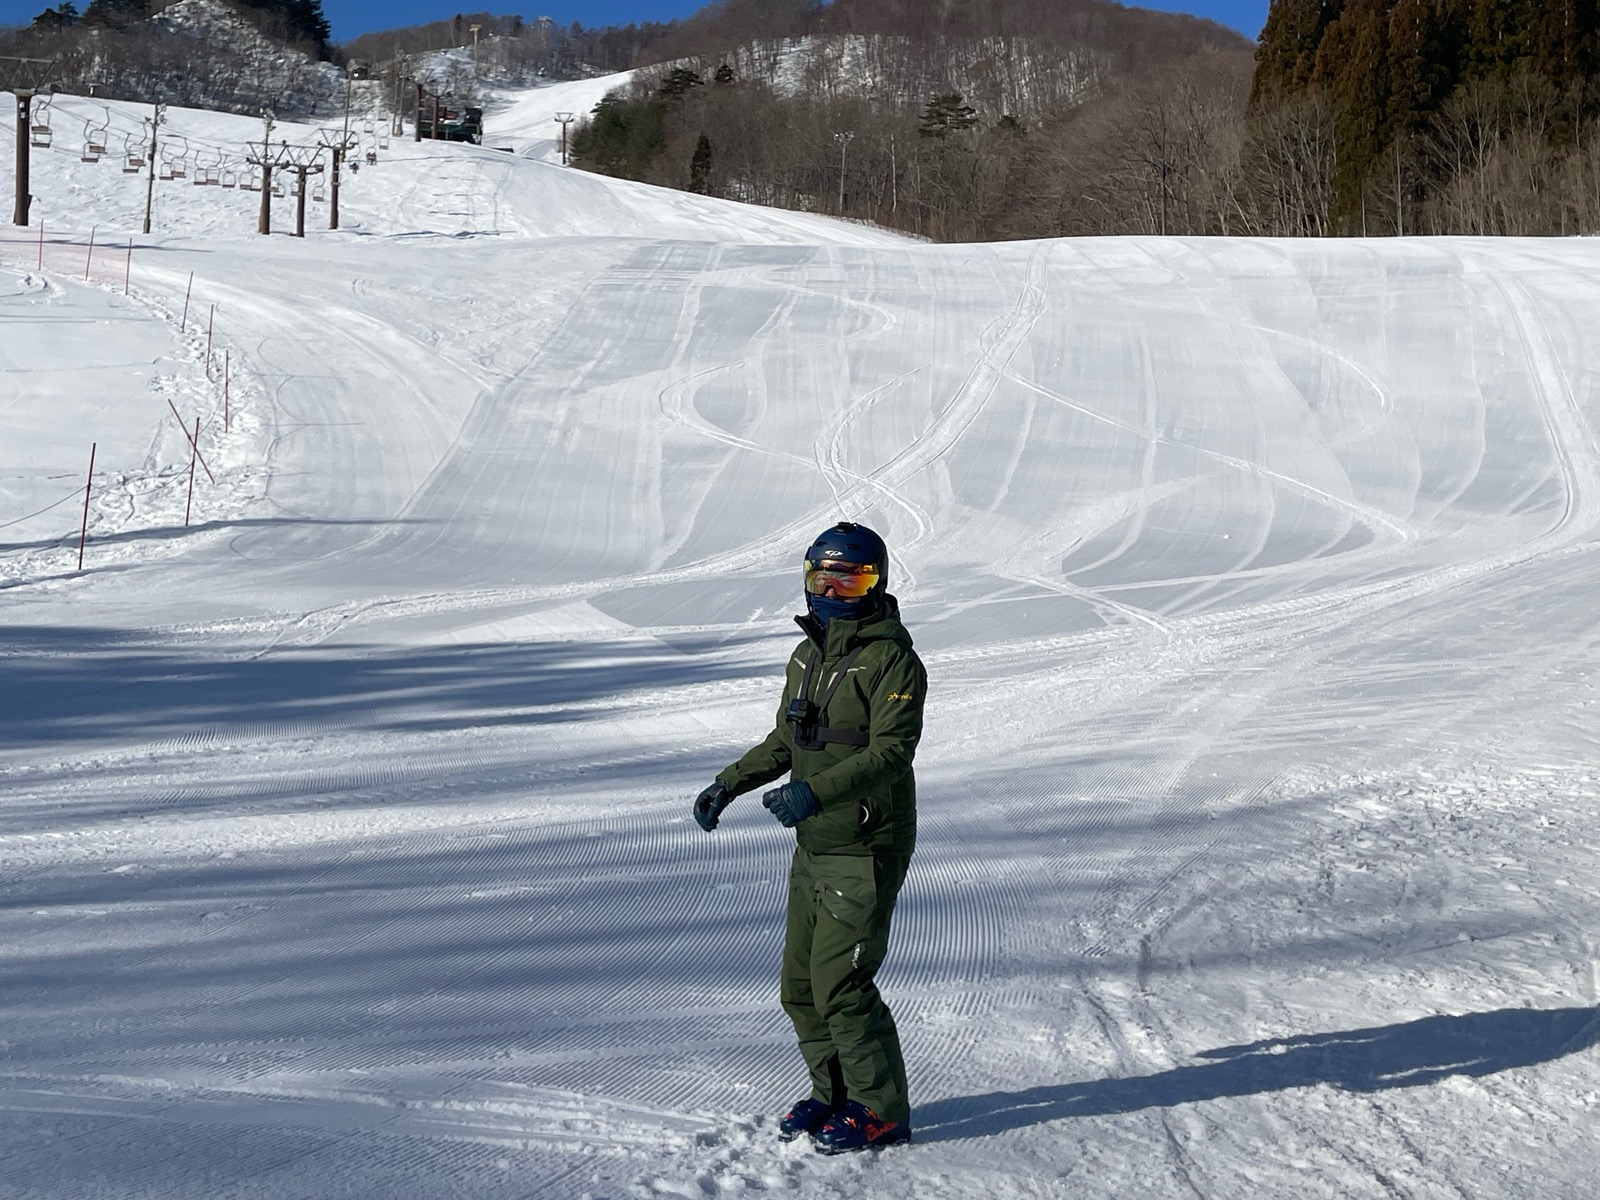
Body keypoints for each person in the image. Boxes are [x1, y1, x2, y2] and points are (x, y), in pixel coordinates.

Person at [692, 521, 927, 1154]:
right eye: (824, 575)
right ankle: (837, 1096)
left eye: (851, 576)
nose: (835, 587)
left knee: (842, 987)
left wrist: (815, 792)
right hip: (816, 845)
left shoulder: (891, 658)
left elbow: (892, 752)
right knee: (799, 988)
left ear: (875, 583)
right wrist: (729, 782)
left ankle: (882, 1111)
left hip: (865, 845)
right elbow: (786, 740)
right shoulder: (808, 654)